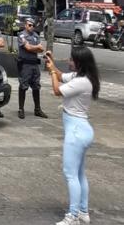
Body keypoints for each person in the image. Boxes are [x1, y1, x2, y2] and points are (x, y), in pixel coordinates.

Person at [44, 46, 100, 225]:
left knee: (70, 174)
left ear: (79, 63)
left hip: (76, 131)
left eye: (71, 60)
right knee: (79, 174)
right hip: (82, 130)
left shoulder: (81, 82)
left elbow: (56, 90)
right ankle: (83, 212)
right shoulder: (81, 78)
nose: (69, 62)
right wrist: (53, 66)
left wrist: (52, 72)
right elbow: (61, 76)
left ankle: (73, 216)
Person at [16, 18, 47, 119]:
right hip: (25, 65)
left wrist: (33, 47)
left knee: (36, 86)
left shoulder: (36, 35)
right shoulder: (21, 35)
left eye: (33, 25)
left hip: (34, 65)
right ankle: (21, 109)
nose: (31, 27)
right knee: (23, 86)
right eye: (29, 25)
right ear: (25, 25)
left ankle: (37, 109)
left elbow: (41, 48)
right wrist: (35, 47)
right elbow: (28, 48)